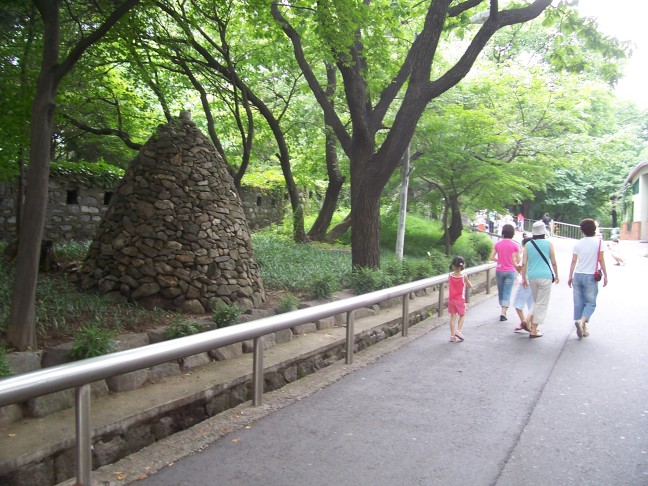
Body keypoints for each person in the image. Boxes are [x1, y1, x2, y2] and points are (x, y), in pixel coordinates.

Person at [568, 218, 608, 339]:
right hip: (591, 276)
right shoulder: (599, 243)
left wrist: (570, 276)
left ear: (582, 231)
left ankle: (584, 328)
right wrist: (606, 275)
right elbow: (601, 260)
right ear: (594, 229)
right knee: (590, 303)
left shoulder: (578, 243)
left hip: (578, 275)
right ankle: (582, 321)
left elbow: (573, 261)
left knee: (578, 303)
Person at [521, 221, 559, 338]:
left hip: (532, 276)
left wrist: (523, 277)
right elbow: (553, 262)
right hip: (545, 276)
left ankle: (527, 320)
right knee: (541, 303)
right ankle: (534, 329)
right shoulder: (549, 244)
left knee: (536, 301)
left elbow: (524, 263)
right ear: (543, 232)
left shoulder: (528, 245)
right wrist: (556, 275)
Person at [490, 224, 520, 321]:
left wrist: (499, 260)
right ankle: (503, 311)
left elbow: (491, 257)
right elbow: (518, 260)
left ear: (503, 232)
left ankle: (502, 308)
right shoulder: (515, 245)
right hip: (510, 271)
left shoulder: (498, 244)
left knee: (501, 291)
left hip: (499, 270)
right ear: (512, 233)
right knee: (507, 291)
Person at [448, 256, 473, 343]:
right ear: (462, 265)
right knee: (462, 315)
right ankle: (458, 331)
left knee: (452, 317)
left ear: (453, 265)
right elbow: (470, 286)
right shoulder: (464, 276)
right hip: (460, 300)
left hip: (451, 299)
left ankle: (452, 335)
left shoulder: (450, 275)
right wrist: (467, 282)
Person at [512, 234, 533, 333]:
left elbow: (519, 269)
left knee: (518, 304)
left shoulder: (524, 254)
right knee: (531, 305)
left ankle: (524, 322)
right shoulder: (535, 254)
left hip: (525, 282)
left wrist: (513, 261)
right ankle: (532, 326)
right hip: (534, 281)